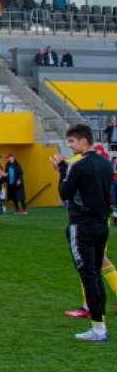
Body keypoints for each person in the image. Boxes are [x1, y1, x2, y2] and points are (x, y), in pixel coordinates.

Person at [51, 123, 113, 342]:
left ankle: (98, 329)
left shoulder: (77, 166)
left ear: (83, 141)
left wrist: (61, 170)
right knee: (95, 274)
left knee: (89, 275)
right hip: (101, 223)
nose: (70, 146)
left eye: (72, 142)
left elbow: (65, 193)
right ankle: (100, 325)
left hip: (82, 225)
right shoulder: (106, 164)